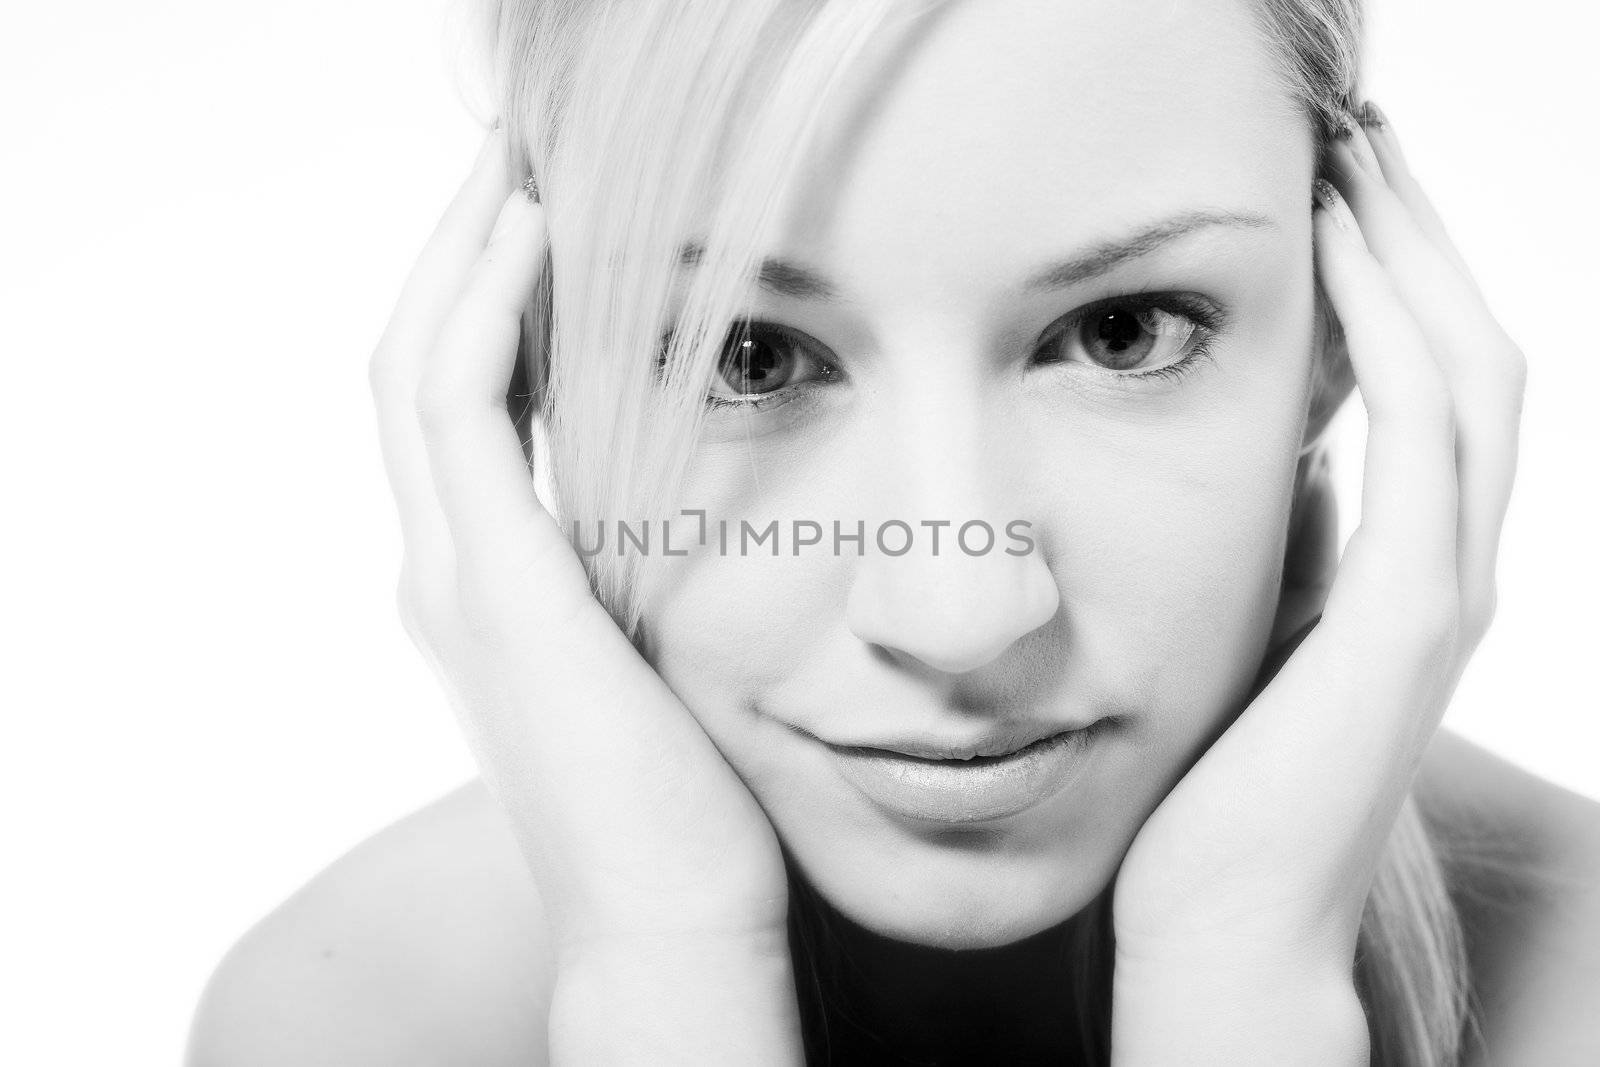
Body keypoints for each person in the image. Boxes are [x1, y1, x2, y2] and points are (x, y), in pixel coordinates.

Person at [185, 0, 1600, 1063]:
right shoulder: (352, 1018)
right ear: (520, 361)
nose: (957, 614)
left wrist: (1246, 979)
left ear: (1353, 342)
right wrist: (667, 968)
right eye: (749, 355)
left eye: (1121, 333)